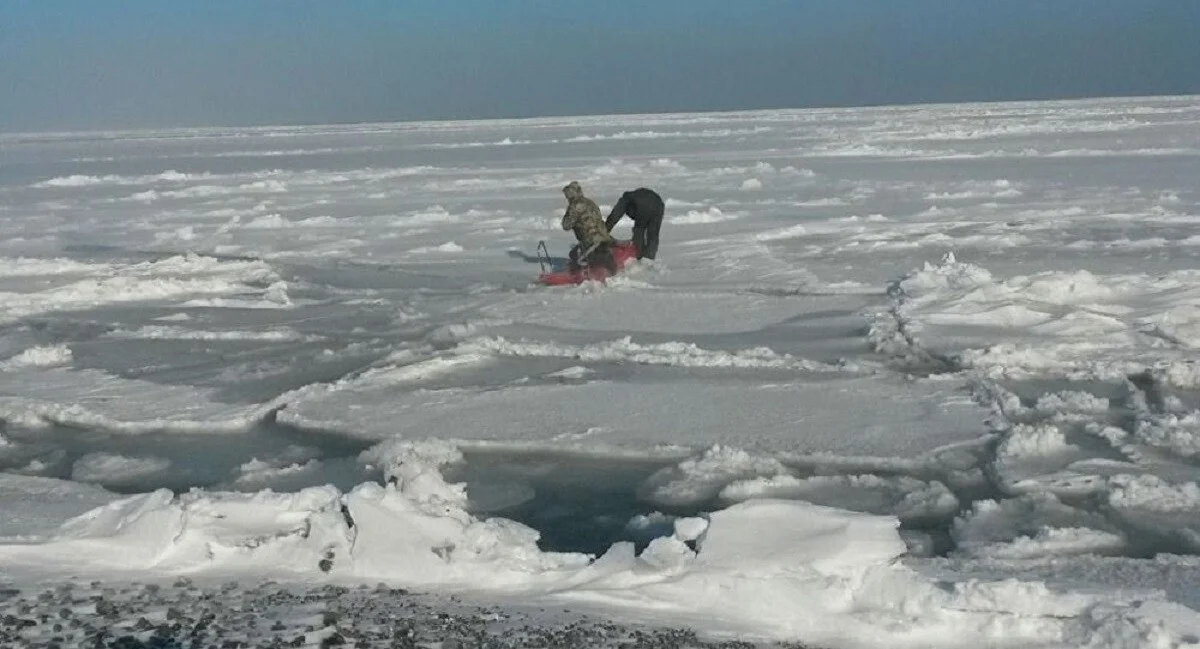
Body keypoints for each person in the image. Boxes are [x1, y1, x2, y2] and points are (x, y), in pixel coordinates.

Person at [560, 180, 617, 273]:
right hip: (603, 236)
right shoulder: (589, 202)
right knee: (575, 253)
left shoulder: (575, 205)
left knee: (574, 256)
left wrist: (567, 215)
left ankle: (577, 273)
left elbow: (566, 225)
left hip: (589, 240)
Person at [604, 187, 664, 260]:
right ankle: (649, 258)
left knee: (639, 230)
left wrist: (604, 230)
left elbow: (614, 216)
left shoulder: (625, 199)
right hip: (659, 204)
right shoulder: (632, 196)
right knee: (653, 233)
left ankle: (638, 256)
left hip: (644, 204)